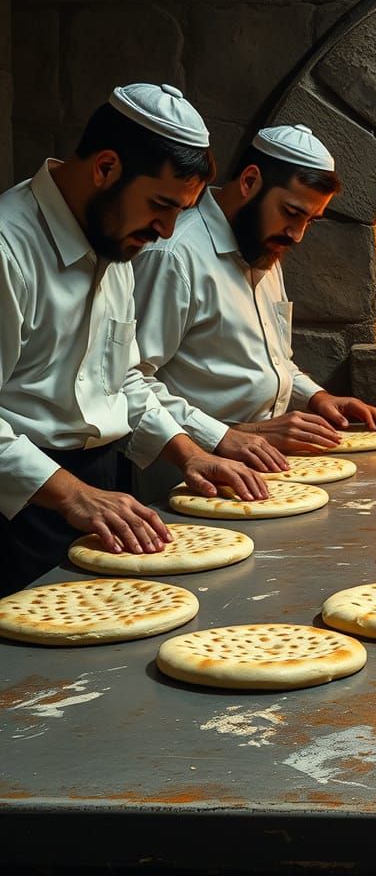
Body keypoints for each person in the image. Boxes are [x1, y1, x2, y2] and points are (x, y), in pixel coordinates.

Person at [0, 83, 270, 596]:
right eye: (161, 205)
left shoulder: (116, 242)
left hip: (103, 491)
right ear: (105, 168)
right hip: (21, 511)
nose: (168, 231)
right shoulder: (7, 249)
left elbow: (123, 381)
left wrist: (189, 452)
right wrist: (72, 494)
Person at [129, 122, 376, 503]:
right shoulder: (174, 257)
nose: (298, 234)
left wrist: (316, 397)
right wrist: (225, 436)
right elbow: (132, 381)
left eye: (310, 221)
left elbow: (273, 361)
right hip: (186, 479)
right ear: (250, 181)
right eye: (291, 212)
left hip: (264, 471)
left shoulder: (263, 248)